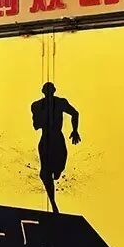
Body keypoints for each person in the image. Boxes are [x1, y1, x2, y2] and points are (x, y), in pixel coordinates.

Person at [31, 82, 81, 214]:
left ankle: (57, 171)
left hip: (57, 138)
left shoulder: (60, 102)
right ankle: (53, 204)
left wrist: (75, 130)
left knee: (60, 165)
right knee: (45, 173)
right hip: (46, 139)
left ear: (54, 91)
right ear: (43, 92)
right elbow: (36, 126)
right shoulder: (37, 105)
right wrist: (43, 115)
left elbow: (75, 113)